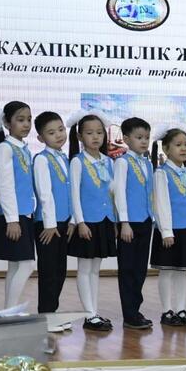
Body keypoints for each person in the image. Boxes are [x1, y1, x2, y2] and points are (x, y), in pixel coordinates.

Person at [67, 110, 117, 332]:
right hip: (87, 222)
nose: (95, 137)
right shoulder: (77, 162)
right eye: (89, 133)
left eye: (99, 133)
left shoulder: (109, 161)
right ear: (80, 136)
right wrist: (80, 222)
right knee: (85, 268)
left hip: (105, 220)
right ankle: (89, 314)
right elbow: (74, 195)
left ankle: (94, 312)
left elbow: (112, 194)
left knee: (96, 270)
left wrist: (115, 221)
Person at [149, 127, 186, 327]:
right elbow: (161, 203)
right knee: (167, 271)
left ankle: (181, 309)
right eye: (178, 145)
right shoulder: (162, 173)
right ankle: (167, 311)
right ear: (166, 149)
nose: (184, 148)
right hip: (168, 231)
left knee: (181, 271)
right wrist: (166, 231)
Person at [0, 101, 36, 308]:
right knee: (27, 265)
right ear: (7, 123)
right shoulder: (5, 148)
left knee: (16, 266)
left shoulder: (24, 149)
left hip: (25, 213)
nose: (26, 124)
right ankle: (11, 310)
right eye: (20, 120)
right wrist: (12, 220)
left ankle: (8, 310)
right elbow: (5, 186)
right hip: (14, 216)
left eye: (29, 120)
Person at [33, 111, 74, 328]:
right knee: (48, 272)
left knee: (60, 271)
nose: (58, 135)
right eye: (51, 132)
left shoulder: (64, 158)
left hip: (63, 222)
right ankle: (46, 316)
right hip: (47, 224)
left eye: (60, 129)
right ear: (40, 138)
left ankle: (52, 312)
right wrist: (49, 224)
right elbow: (45, 193)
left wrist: (72, 219)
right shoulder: (41, 159)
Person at [113, 117, 154, 329]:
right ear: (127, 139)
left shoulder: (147, 163)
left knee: (140, 269)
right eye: (139, 137)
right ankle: (129, 314)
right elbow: (119, 192)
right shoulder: (122, 162)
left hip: (146, 221)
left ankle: (136, 310)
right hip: (129, 224)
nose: (144, 141)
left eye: (146, 137)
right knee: (128, 269)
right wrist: (124, 222)